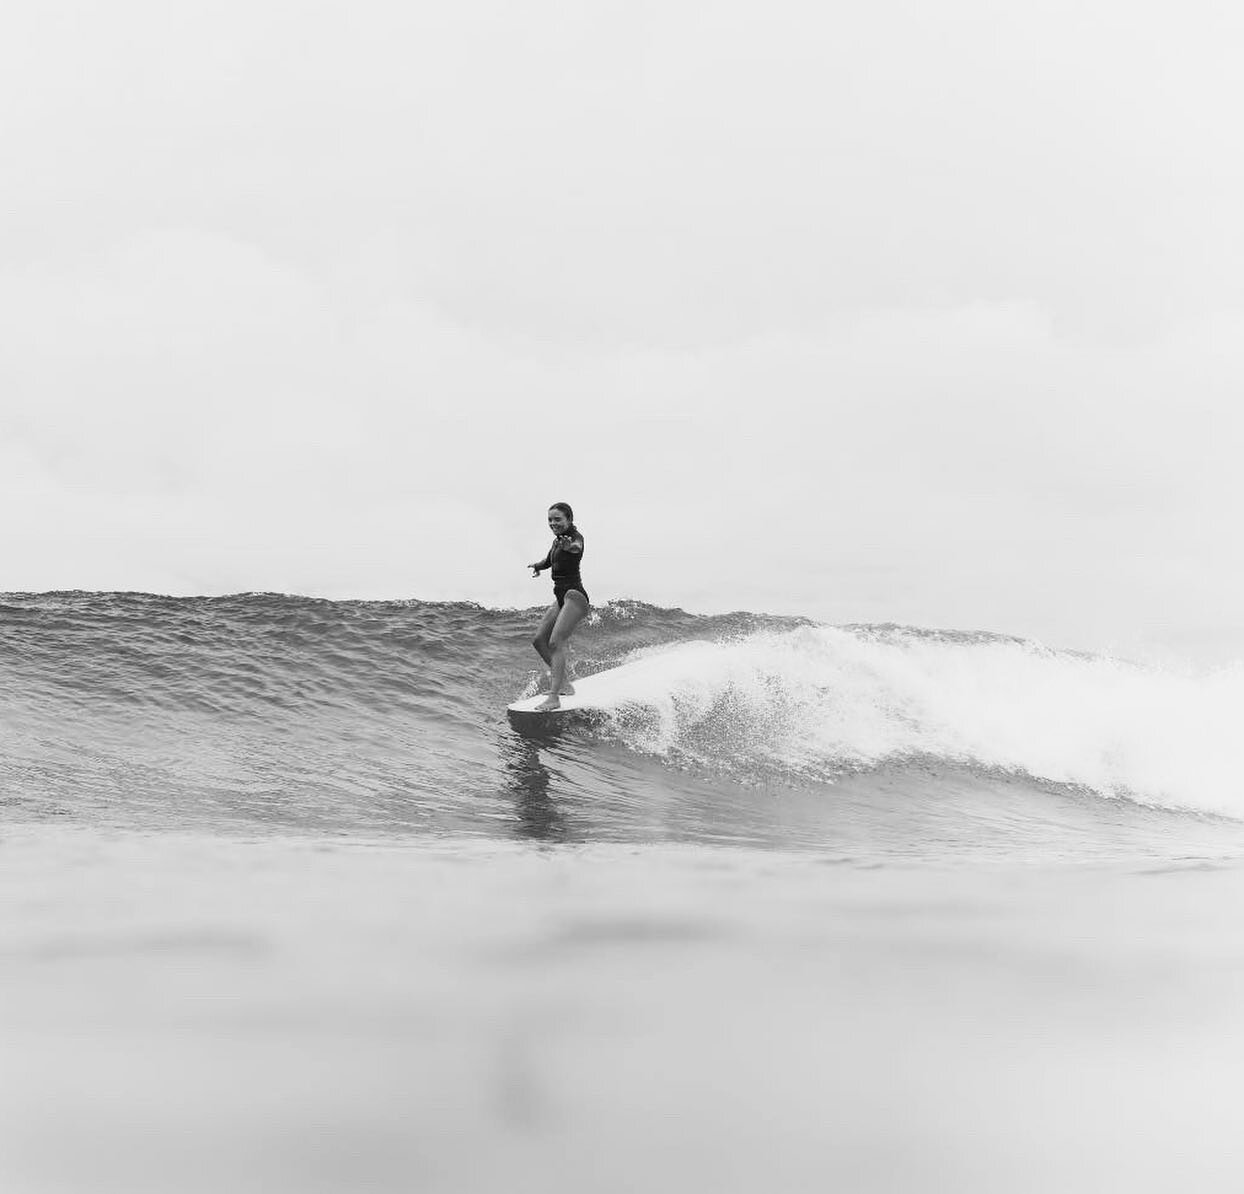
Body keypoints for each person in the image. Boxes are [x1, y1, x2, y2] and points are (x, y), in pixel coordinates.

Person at [528, 502, 590, 711]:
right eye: (550, 520)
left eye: (558, 519)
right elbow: (549, 560)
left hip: (575, 596)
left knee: (555, 642)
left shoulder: (575, 538)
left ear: (569, 520)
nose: (553, 523)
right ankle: (564, 684)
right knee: (539, 641)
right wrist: (538, 566)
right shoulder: (556, 542)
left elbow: (576, 548)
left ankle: (554, 697)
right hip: (561, 597)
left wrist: (569, 547)